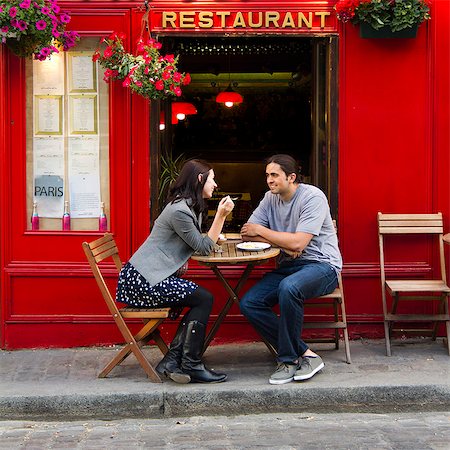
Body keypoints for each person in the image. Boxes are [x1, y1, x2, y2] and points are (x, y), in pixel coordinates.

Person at [116, 159, 234, 384]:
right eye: (212, 179)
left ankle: (172, 361)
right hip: (142, 282)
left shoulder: (187, 207)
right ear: (200, 179)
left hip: (149, 277)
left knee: (200, 298)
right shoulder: (180, 211)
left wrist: (210, 232)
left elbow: (200, 242)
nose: (215, 184)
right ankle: (191, 363)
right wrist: (221, 216)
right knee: (204, 298)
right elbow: (203, 247)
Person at [239, 154, 342, 385]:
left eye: (274, 175)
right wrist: (286, 241)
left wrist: (269, 234)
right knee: (249, 302)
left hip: (322, 265)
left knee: (289, 288)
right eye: (267, 175)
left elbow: (297, 244)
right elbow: (247, 232)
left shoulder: (313, 197)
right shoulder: (269, 198)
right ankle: (305, 354)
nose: (269, 180)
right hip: (290, 266)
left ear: (291, 177)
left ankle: (287, 360)